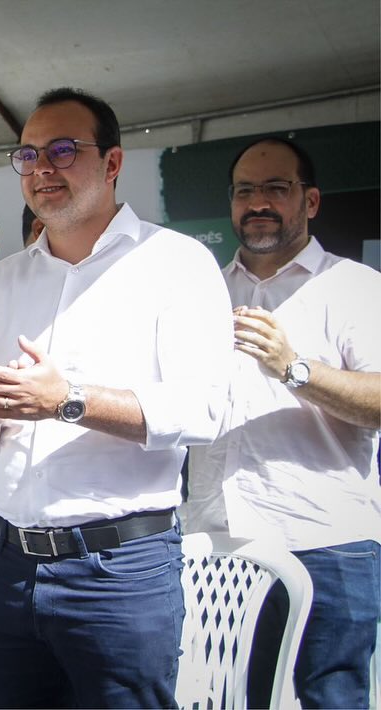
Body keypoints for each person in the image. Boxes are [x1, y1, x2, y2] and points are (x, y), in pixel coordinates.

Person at [0, 87, 233, 708]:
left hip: (119, 569)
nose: (43, 167)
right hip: (6, 559)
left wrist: (67, 400)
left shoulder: (176, 263)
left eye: (64, 150)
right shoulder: (0, 283)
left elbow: (204, 410)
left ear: (113, 162)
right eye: (28, 155)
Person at [184, 137, 381, 709]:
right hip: (217, 541)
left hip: (326, 540)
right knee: (232, 699)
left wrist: (293, 368)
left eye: (276, 188)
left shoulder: (355, 287)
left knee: (328, 701)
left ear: (311, 201)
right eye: (245, 190)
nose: (258, 202)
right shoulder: (201, 295)